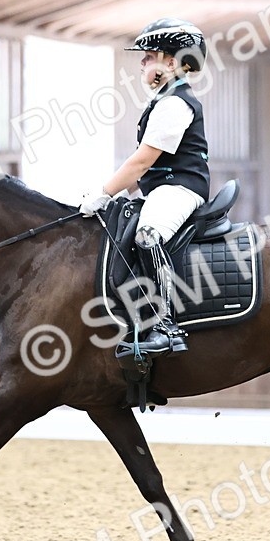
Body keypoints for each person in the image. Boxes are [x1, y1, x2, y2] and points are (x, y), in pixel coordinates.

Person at [79, 18, 210, 356]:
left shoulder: (175, 103)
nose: (142, 64)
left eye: (150, 56)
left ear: (172, 62)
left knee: (147, 234)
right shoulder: (163, 101)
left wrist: (104, 191)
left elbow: (142, 162)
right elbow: (144, 173)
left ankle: (165, 324)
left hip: (181, 188)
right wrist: (116, 196)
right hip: (164, 187)